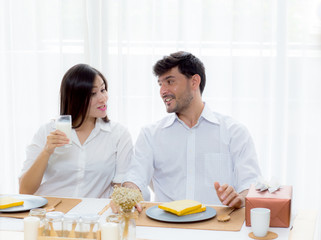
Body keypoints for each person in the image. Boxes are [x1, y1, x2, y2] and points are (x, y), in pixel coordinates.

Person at [123, 51, 261, 209]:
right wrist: (128, 195)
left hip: (218, 228)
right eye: (160, 84)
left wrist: (240, 199)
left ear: (194, 82)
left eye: (170, 81)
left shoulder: (234, 132)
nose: (162, 91)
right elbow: (135, 178)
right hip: (166, 228)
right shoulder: (150, 134)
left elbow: (250, 185)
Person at [19, 64, 133, 198]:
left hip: (93, 216)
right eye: (93, 94)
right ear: (75, 98)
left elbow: (121, 185)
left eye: (103, 90)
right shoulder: (48, 131)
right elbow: (25, 190)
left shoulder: (118, 134)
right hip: (51, 212)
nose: (103, 98)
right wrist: (46, 152)